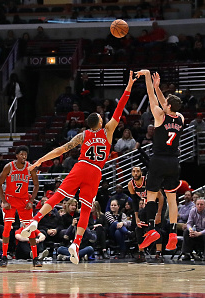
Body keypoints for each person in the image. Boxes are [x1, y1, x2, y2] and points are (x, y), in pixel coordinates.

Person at [21, 71, 136, 264]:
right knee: (85, 209)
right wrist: (129, 86)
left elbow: (60, 150)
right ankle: (76, 243)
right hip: (95, 172)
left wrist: (40, 160)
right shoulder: (108, 131)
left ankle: (35, 219)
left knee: (59, 195)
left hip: (82, 166)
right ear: (100, 122)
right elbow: (120, 107)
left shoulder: (83, 136)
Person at [135, 70, 184, 252]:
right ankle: (172, 233)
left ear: (168, 106)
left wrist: (149, 79)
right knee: (172, 200)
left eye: (166, 103)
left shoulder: (159, 115)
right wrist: (159, 89)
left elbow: (151, 96)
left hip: (158, 160)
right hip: (174, 162)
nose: (163, 103)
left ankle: (151, 229)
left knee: (151, 196)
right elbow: (166, 102)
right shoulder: (180, 118)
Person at [0, 145, 39, 267]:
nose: (24, 156)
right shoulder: (9, 166)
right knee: (7, 227)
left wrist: (31, 200)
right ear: (16, 155)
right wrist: (4, 201)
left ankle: (35, 257)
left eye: (25, 154)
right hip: (10, 199)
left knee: (30, 228)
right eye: (21, 154)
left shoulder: (30, 167)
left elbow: (36, 185)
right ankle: (4, 256)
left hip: (24, 200)